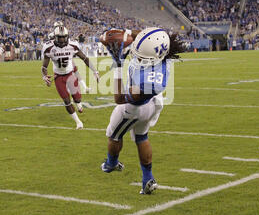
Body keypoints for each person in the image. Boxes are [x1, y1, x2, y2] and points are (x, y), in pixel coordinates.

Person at [100, 27, 184, 195]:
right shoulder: (161, 50)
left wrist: (117, 66)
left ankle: (111, 163)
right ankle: (148, 179)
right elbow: (146, 37)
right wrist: (126, 33)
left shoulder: (148, 82)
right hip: (152, 105)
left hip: (135, 108)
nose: (137, 56)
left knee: (114, 135)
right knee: (141, 136)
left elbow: (119, 99)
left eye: (141, 56)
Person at [41, 24, 100, 129]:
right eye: (60, 37)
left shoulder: (73, 45)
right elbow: (44, 67)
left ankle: (79, 104)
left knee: (77, 99)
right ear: (55, 37)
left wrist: (95, 71)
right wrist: (44, 76)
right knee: (67, 101)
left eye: (64, 37)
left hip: (70, 75)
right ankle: (78, 122)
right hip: (58, 77)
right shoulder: (49, 48)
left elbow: (85, 58)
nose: (63, 39)